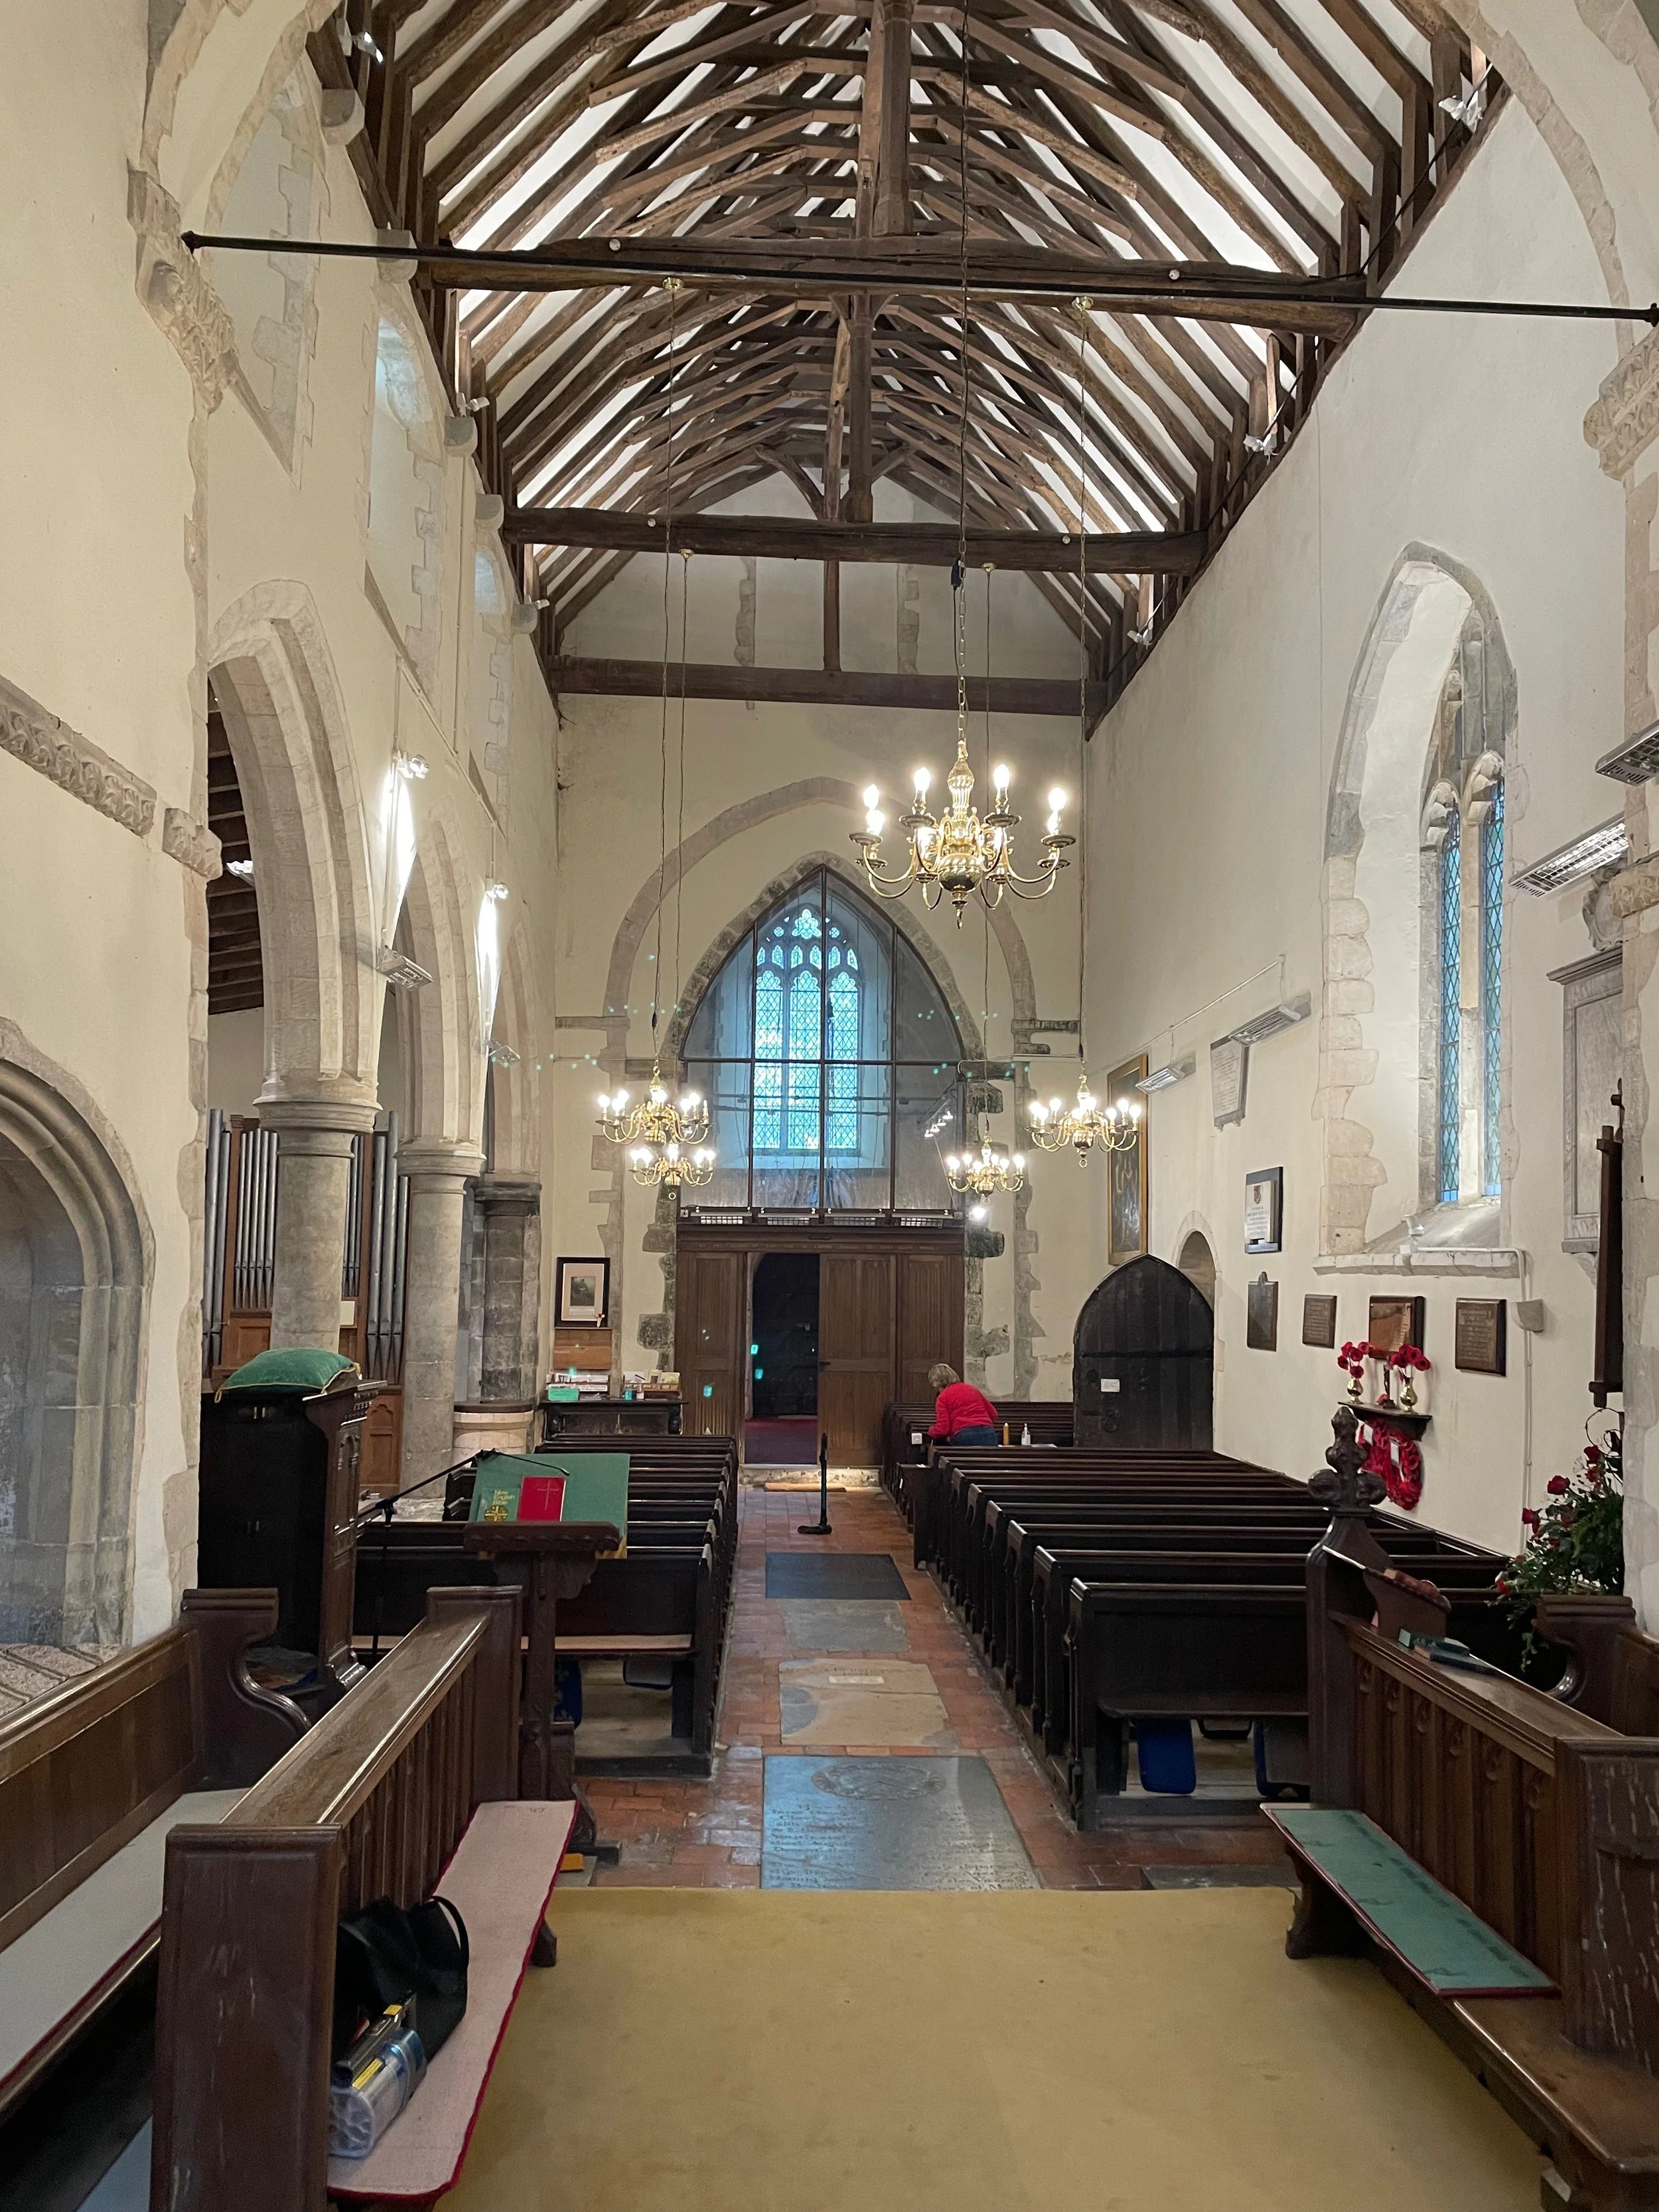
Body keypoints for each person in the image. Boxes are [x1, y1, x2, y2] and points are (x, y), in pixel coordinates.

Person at [926, 1363, 999, 1445]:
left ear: (937, 1384)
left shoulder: (943, 1397)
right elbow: (993, 1413)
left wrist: (931, 1431)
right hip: (988, 1433)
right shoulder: (973, 1390)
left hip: (964, 1435)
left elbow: (943, 1429)